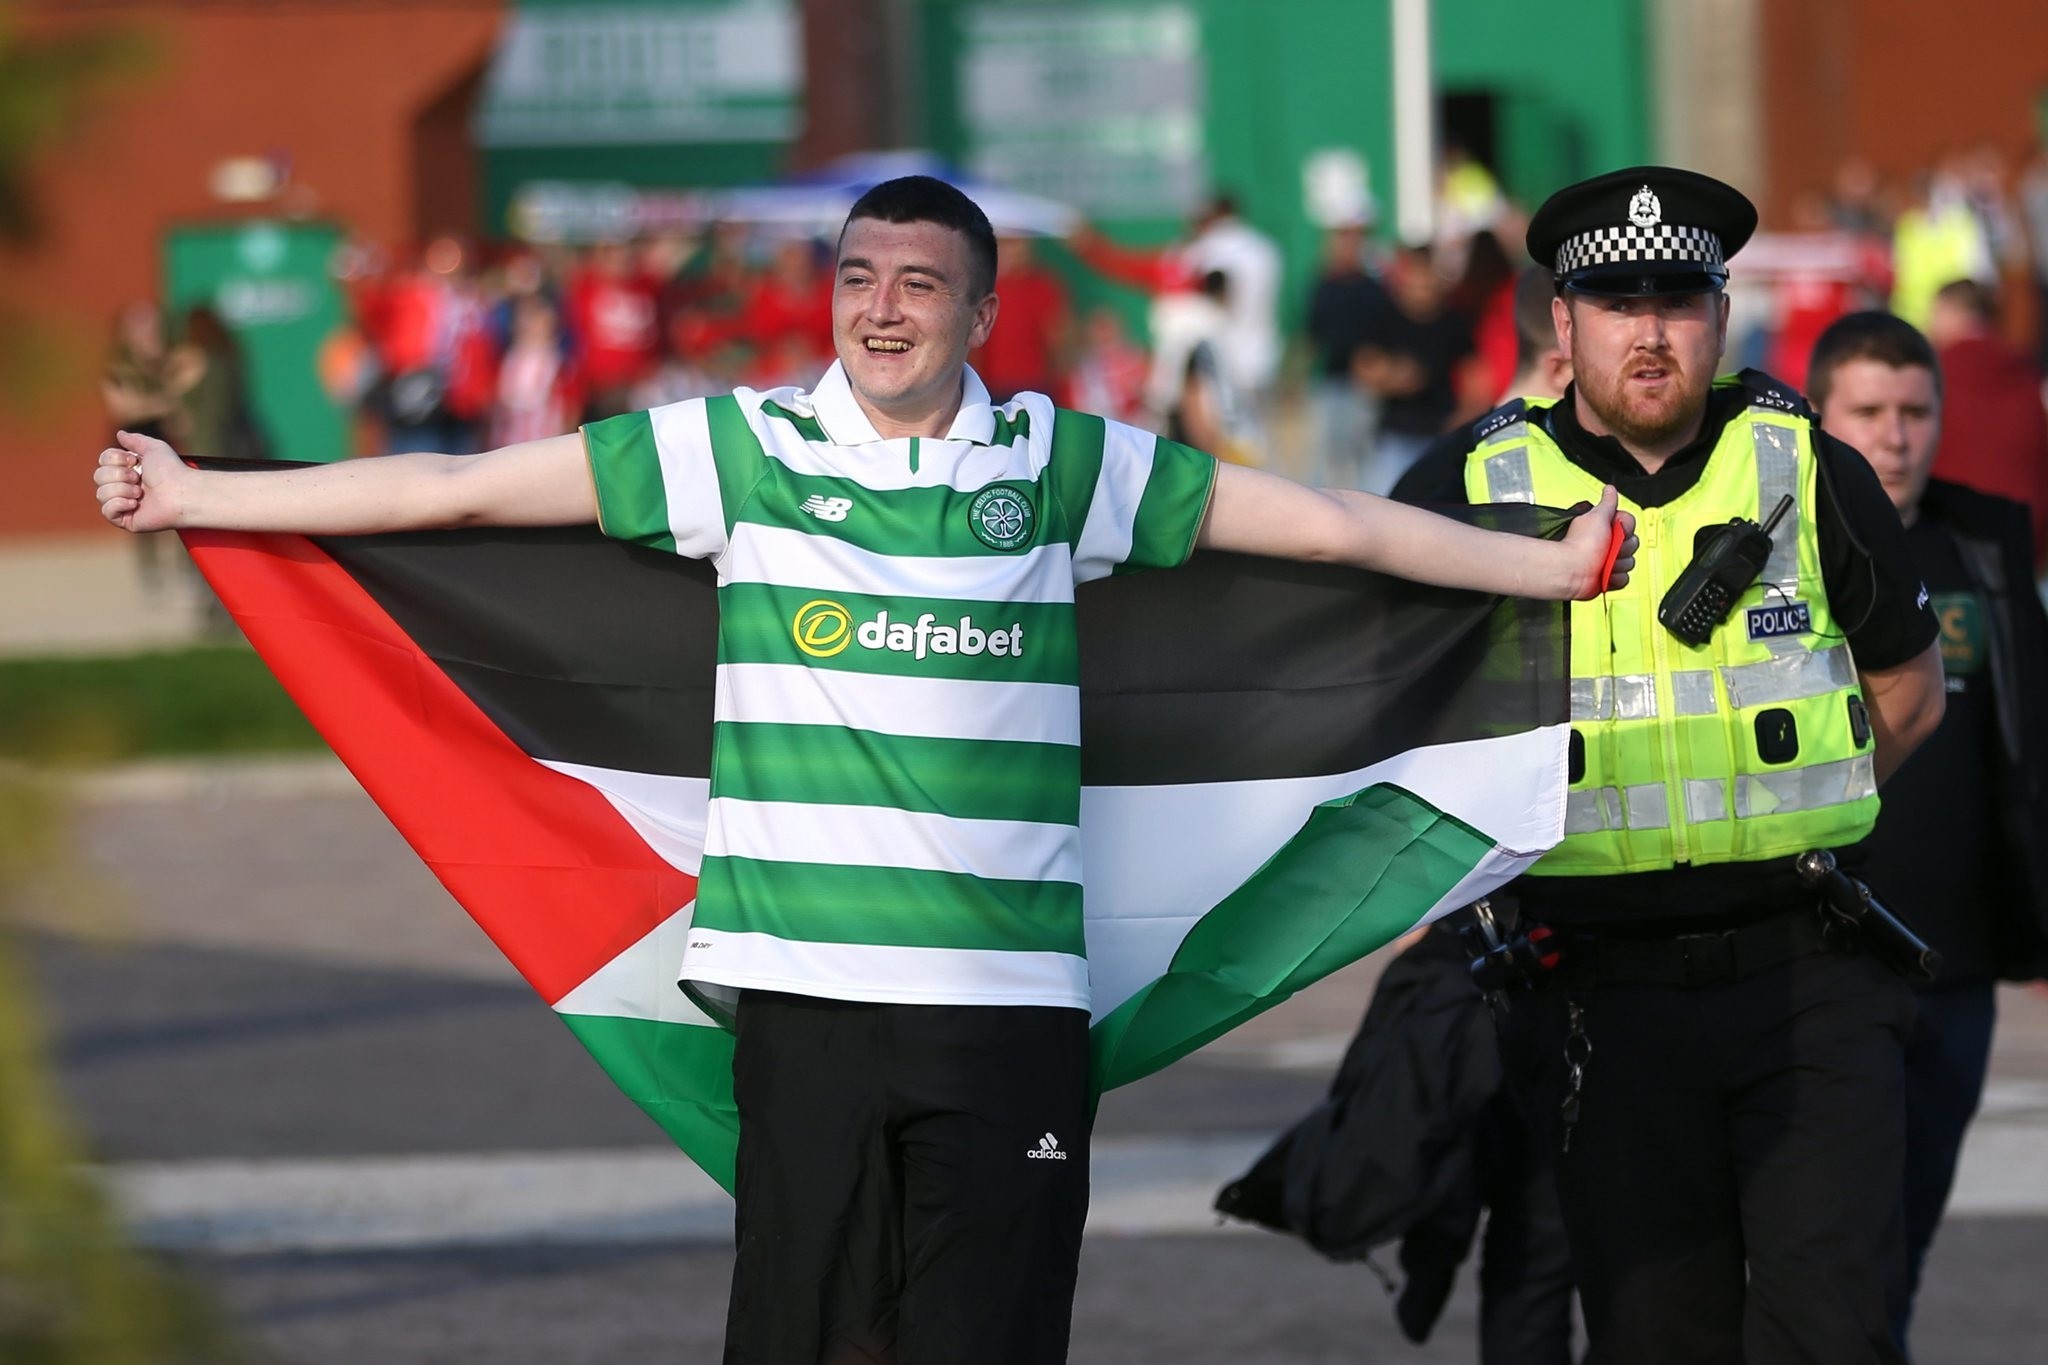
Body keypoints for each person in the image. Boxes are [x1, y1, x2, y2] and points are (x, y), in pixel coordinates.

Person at [96, 175, 1633, 1365]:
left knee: (994, 1340)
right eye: (855, 280)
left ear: (980, 314)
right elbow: (461, 489)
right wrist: (199, 491)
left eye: (918, 285)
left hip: (1012, 1013)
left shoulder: (1058, 463)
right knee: (802, 1340)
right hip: (807, 993)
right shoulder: (745, 449)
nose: (880, 310)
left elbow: (1327, 526)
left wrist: (1547, 578)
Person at [1393, 166, 1945, 1365]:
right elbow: (1377, 715)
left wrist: (1789, 814)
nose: (1649, 331)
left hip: (1805, 975)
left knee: (1833, 1335)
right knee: (1655, 1340)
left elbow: (1908, 685)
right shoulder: (1471, 489)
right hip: (1599, 996)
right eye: (1613, 300)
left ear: (1719, 313)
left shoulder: (1806, 467)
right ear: (1561, 322)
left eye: (1678, 298)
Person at [1806, 311, 2048, 1356]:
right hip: (1824, 951)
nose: (1895, 436)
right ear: (1820, 418)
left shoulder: (1984, 543)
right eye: (1867, 412)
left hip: (1955, 954)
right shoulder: (1780, 544)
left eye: (1914, 412)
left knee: (1902, 1237)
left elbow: (2024, 741)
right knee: (1833, 1237)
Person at [1923, 279, 2048, 563]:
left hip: (1953, 542)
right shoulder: (2027, 374)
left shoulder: (1931, 375)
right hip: (2026, 538)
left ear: (1948, 311)